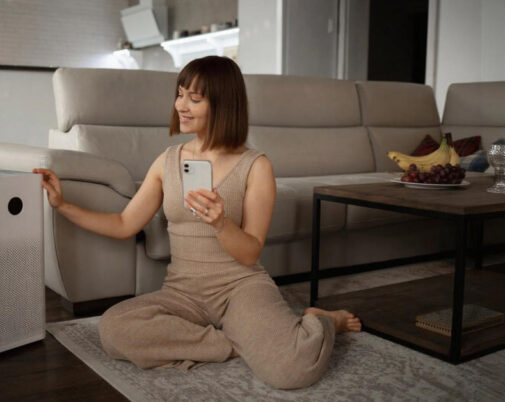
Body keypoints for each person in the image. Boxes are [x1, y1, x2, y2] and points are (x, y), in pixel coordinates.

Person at [33, 56, 361, 390]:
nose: (180, 106)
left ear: (223, 104)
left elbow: (249, 254)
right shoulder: (167, 161)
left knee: (293, 370)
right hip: (183, 293)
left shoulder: (256, 166)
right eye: (179, 95)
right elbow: (123, 224)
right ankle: (235, 342)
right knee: (114, 328)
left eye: (194, 98)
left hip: (240, 288)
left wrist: (221, 223)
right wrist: (62, 205)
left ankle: (322, 320)